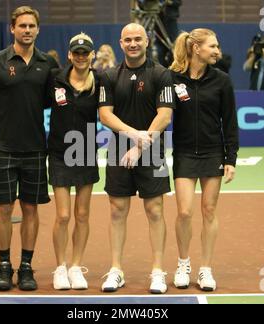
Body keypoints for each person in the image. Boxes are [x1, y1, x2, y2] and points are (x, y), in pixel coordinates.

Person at [0, 6, 58, 291]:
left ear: (38, 29)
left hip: (35, 149)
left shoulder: (48, 65)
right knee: (4, 208)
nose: (27, 30)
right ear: (12, 29)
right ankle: (4, 265)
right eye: (22, 26)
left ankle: (27, 267)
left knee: (31, 208)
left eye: (32, 26)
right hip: (2, 148)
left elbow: (56, 105)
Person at [99, 23, 175, 294]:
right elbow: (105, 114)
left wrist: (142, 145)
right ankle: (116, 270)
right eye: (128, 40)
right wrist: (134, 135)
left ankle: (157, 271)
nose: (133, 44)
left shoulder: (161, 74)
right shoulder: (108, 76)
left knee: (155, 211)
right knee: (117, 211)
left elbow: (164, 115)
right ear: (120, 43)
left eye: (138, 39)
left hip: (152, 150)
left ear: (147, 41)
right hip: (120, 150)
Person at [170, 28, 239, 291]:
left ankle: (206, 269)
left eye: (217, 46)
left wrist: (230, 158)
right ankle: (183, 263)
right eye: (212, 46)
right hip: (184, 153)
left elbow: (230, 122)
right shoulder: (173, 78)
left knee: (209, 211)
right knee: (184, 211)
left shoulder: (221, 80)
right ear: (196, 48)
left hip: (213, 152)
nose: (217, 50)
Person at [48, 32, 99, 290]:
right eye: (76, 53)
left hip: (87, 151)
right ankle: (60, 267)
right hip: (59, 152)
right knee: (64, 215)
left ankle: (76, 266)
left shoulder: (99, 83)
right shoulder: (55, 80)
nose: (80, 57)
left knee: (82, 214)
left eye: (85, 53)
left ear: (92, 55)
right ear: (69, 55)